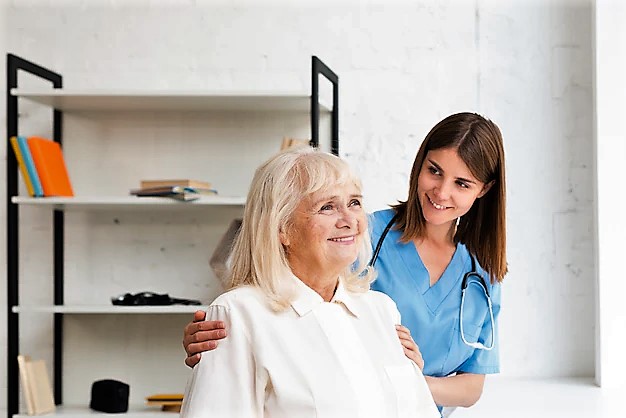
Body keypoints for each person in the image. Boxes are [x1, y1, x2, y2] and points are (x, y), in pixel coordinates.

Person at [183, 112, 507, 415]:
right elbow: (272, 278)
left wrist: (401, 377)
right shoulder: (359, 234)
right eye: (434, 170)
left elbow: (472, 385)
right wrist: (229, 331)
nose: (441, 191)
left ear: (484, 190)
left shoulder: (474, 274)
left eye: (462, 183)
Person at [180, 146, 440, 418]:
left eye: (354, 202)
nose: (349, 219)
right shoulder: (239, 314)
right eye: (327, 207)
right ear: (282, 228)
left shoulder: (382, 311)